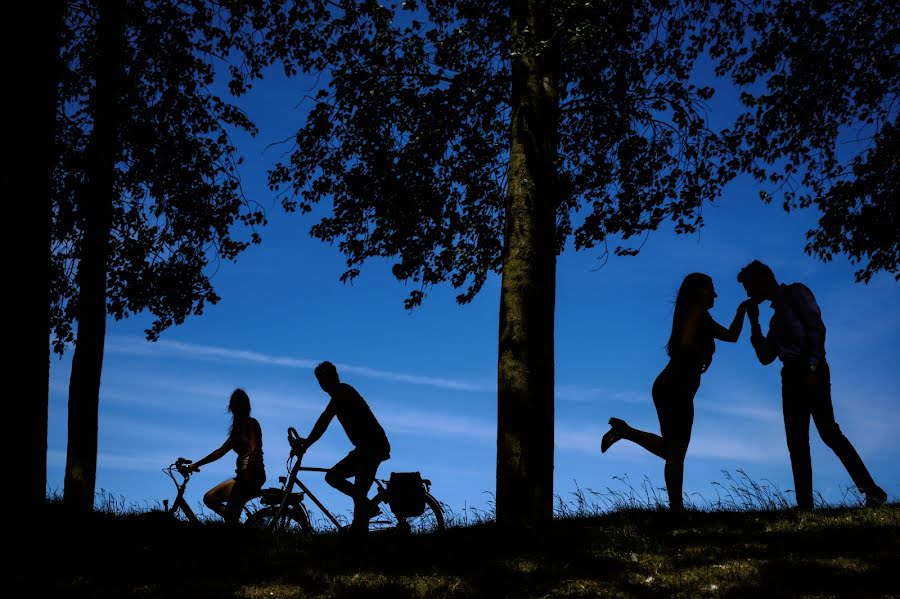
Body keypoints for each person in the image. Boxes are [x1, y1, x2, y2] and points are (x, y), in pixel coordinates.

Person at [738, 259, 887, 509]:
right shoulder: (774, 321)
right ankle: (805, 505)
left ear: (764, 279)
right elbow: (766, 357)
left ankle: (871, 490)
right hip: (790, 376)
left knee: (829, 433)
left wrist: (813, 368)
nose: (749, 294)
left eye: (750, 287)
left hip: (810, 369)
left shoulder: (796, 292)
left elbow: (816, 329)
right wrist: (754, 322)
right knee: (796, 441)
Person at [600, 273, 752, 511]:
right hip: (675, 387)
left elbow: (731, 336)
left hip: (675, 388)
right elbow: (684, 344)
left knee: (674, 450)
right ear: (697, 291)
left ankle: (625, 432)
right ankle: (676, 510)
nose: (715, 294)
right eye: (710, 289)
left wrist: (743, 309)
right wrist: (705, 354)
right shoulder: (695, 312)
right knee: (676, 452)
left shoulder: (702, 316)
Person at [294, 361, 391, 532]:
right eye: (321, 380)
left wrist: (307, 443)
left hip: (372, 447)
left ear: (333, 378)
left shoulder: (342, 392)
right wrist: (307, 442)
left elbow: (323, 421)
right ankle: (365, 514)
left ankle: (360, 531)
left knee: (353, 489)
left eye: (326, 378)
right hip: (366, 447)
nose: (324, 383)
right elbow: (323, 421)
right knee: (336, 479)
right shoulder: (339, 394)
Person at [188, 388, 265, 524]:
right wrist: (197, 464)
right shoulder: (237, 430)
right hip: (241, 477)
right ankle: (236, 523)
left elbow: (254, 450)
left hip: (252, 475)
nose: (234, 410)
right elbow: (220, 451)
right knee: (210, 498)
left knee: (229, 515)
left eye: (237, 406)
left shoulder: (251, 424)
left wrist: (248, 475)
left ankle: (236, 526)